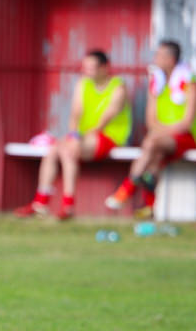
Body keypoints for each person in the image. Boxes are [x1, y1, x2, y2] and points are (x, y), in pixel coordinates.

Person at [15, 49, 131, 220]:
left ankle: (67, 206)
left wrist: (77, 140)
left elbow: (104, 121)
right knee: (53, 150)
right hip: (83, 137)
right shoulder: (83, 83)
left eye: (91, 68)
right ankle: (40, 203)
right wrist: (74, 135)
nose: (86, 71)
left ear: (105, 68)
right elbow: (75, 113)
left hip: (110, 137)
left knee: (68, 151)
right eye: (85, 67)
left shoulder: (118, 88)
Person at [106, 40, 196, 218]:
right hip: (161, 140)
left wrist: (158, 133)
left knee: (151, 144)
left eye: (159, 55)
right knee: (154, 155)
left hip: (186, 138)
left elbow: (186, 123)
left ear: (171, 59)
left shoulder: (190, 82)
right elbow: (150, 120)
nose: (155, 59)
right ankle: (149, 207)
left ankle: (128, 186)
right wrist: (157, 133)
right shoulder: (156, 81)